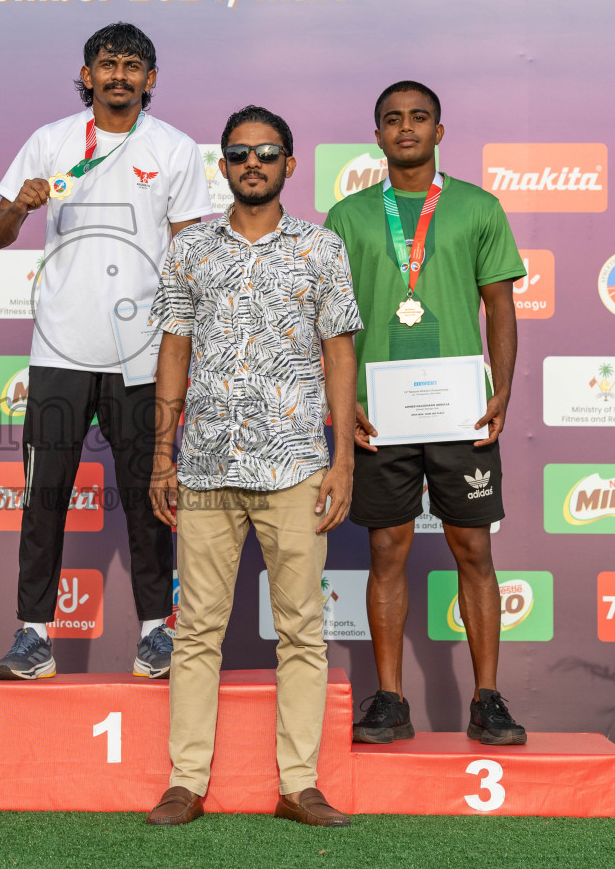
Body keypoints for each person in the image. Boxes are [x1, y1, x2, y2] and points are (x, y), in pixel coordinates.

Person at [145, 106, 362, 827]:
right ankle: (186, 781)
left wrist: (342, 460)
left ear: (289, 164)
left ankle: (298, 784)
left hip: (298, 462)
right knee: (197, 629)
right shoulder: (190, 250)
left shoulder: (322, 249)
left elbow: (339, 352)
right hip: (204, 465)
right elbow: (173, 349)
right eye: (239, 153)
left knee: (302, 629)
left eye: (266, 152)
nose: (252, 163)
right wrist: (162, 456)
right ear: (225, 165)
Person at [0, 22, 212, 680]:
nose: (119, 74)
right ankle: (33, 635)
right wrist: (20, 208)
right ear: (86, 75)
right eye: (107, 64)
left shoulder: (172, 150)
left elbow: (189, 254)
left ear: (152, 79)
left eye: (132, 65)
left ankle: (155, 634)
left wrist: (181, 343)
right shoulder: (50, 142)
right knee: (44, 495)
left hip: (143, 353)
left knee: (148, 497)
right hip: (60, 349)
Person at [323, 81, 528, 747]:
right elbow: (331, 323)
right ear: (377, 134)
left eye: (418, 118)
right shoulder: (349, 217)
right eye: (392, 119)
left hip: (462, 408)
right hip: (381, 414)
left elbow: (500, 305)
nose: (405, 128)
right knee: (387, 550)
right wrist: (344, 400)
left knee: (474, 548)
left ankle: (488, 699)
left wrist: (502, 389)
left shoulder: (477, 207)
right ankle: (389, 699)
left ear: (440, 130)